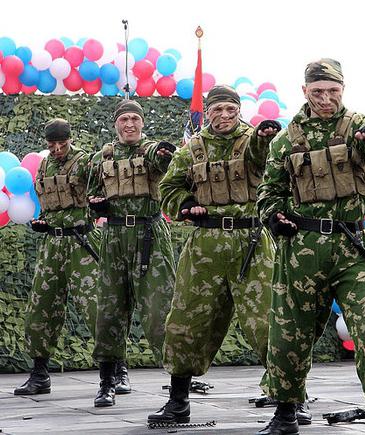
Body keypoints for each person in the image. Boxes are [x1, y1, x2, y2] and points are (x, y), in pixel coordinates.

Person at [256, 58, 365, 435]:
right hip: (302, 248)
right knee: (287, 333)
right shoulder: (286, 139)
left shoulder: (357, 127)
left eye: (333, 92)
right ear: (304, 91)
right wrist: (274, 216)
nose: (326, 99)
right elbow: (268, 193)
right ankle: (285, 414)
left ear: (342, 90)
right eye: (318, 92)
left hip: (352, 246)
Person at [147, 85, 283, 425]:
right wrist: (185, 204)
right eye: (217, 110)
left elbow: (265, 159)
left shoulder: (255, 141)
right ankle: (177, 401)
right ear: (207, 112)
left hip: (251, 243)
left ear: (239, 111)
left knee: (268, 323)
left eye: (230, 110)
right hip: (205, 244)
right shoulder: (192, 149)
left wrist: (265, 137)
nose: (224, 116)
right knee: (185, 321)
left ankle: (289, 398)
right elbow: (169, 188)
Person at [87, 99, 176, 407]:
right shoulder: (102, 157)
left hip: (149, 235)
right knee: (109, 310)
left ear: (142, 123)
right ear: (116, 124)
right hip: (113, 237)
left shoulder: (151, 151)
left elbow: (164, 162)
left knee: (159, 310)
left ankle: (179, 382)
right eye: (124, 119)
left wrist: (163, 151)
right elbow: (90, 191)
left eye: (134, 119)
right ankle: (107, 381)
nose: (129, 124)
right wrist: (96, 204)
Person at [14, 119, 100, 396]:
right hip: (53, 242)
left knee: (97, 307)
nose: (58, 148)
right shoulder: (45, 165)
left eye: (62, 142)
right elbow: (46, 203)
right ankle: (39, 374)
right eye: (52, 144)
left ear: (70, 139)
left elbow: (103, 195)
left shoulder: (85, 162)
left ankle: (114, 372)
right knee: (41, 306)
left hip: (82, 242)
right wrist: (43, 221)